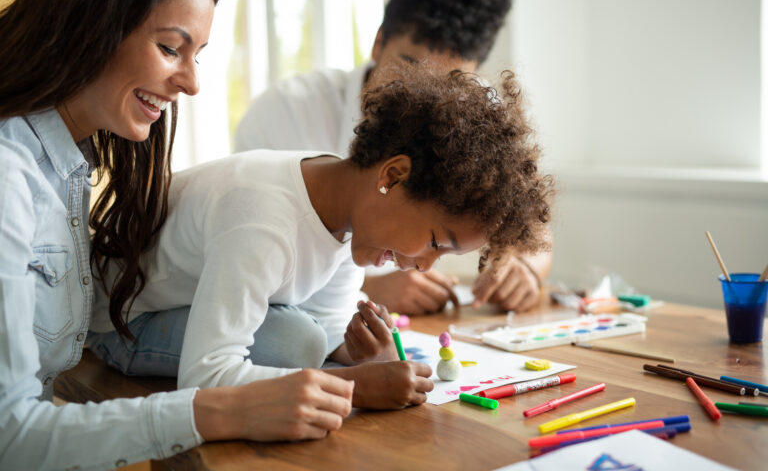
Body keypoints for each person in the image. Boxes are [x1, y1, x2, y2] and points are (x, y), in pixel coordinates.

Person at [0, 0, 356, 469]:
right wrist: (216, 410)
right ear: (91, 21)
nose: (191, 83)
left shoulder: (68, 167)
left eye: (197, 55)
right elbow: (9, 437)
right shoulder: (9, 177)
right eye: (170, 48)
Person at [88, 64, 553, 412]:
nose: (426, 265)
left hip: (181, 307)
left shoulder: (349, 208)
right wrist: (356, 389)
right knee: (296, 342)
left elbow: (329, 328)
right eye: (435, 241)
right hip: (121, 323)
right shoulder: (263, 219)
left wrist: (361, 353)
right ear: (393, 175)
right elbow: (204, 376)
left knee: (310, 338)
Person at [234, 0, 552, 316]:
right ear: (378, 41)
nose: (424, 93)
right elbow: (245, 247)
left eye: (450, 84)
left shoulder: (472, 119)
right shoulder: (287, 112)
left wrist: (524, 268)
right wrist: (367, 286)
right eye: (409, 67)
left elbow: (532, 226)